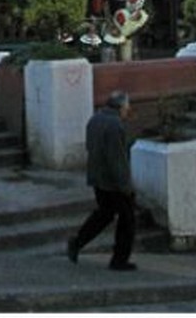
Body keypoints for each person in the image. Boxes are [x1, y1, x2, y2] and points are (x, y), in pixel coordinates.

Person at [67, 90, 137, 271]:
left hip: (97, 177)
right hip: (112, 182)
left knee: (104, 214)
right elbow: (117, 159)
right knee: (127, 220)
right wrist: (126, 186)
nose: (128, 110)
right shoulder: (115, 125)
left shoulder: (95, 119)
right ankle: (119, 259)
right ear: (121, 107)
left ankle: (78, 242)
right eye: (127, 107)